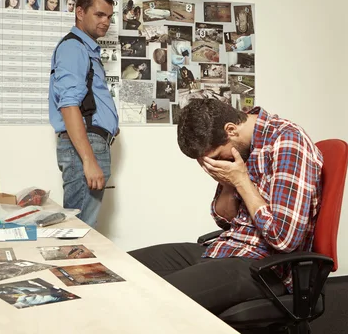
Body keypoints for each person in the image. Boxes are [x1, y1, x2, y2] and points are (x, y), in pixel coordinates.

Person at [128, 98, 323, 316]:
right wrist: (228, 185)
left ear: (230, 130)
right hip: (225, 248)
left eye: (216, 158)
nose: (214, 165)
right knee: (121, 268)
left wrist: (241, 181)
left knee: (151, 298)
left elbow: (284, 238)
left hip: (266, 266)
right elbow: (224, 219)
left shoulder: (287, 140)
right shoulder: (239, 149)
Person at [48, 0, 119, 228]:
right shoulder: (73, 48)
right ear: (80, 12)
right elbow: (68, 106)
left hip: (92, 144)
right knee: (77, 230)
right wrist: (89, 160)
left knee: (83, 228)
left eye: (109, 17)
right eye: (99, 15)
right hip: (85, 147)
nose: (106, 21)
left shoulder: (85, 49)